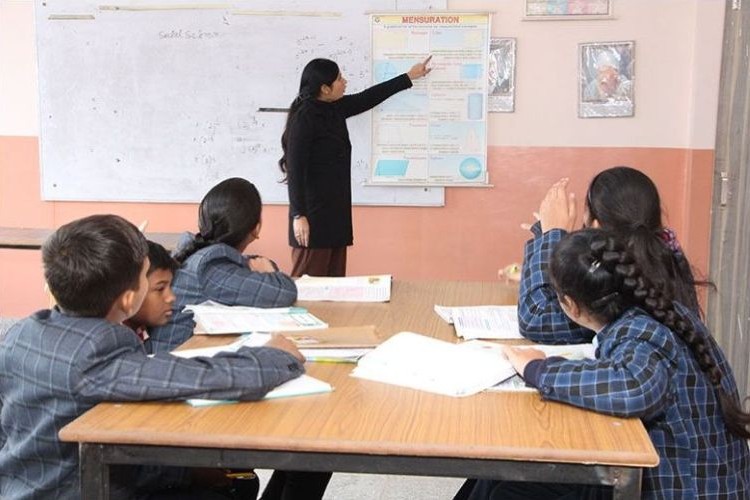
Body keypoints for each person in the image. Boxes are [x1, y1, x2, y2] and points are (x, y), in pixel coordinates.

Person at [0, 214, 306, 499]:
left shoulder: (22, 332)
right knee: (236, 485)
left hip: (20, 486)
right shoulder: (99, 349)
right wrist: (275, 357)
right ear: (129, 298)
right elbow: (201, 378)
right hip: (82, 488)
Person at [456, 228, 750, 499]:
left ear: (571, 305)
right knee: (493, 479)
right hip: (686, 479)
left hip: (684, 489)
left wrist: (538, 369)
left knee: (509, 493)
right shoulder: (648, 312)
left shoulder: (640, 336)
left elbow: (635, 388)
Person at [125, 240, 262, 499]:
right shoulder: (116, 343)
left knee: (245, 479)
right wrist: (191, 472)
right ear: (127, 293)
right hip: (130, 479)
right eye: (160, 289)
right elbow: (126, 462)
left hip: (149, 457)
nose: (172, 297)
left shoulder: (139, 332)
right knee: (239, 484)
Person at [279, 56, 432, 277]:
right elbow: (295, 169)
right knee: (308, 286)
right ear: (325, 88)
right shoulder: (305, 119)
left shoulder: (334, 108)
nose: (345, 82)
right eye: (339, 79)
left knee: (335, 284)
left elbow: (368, 97)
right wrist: (298, 215)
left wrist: (408, 76)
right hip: (312, 217)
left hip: (335, 213)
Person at [519, 167, 702, 345]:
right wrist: (545, 238)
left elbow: (536, 317)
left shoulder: (617, 279)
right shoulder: (667, 254)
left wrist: (551, 236)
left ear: (596, 228)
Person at [149, 177, 298, 354]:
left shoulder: (202, 252)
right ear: (256, 228)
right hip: (173, 357)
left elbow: (248, 264)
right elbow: (283, 293)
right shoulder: (211, 265)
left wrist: (264, 268)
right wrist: (270, 272)